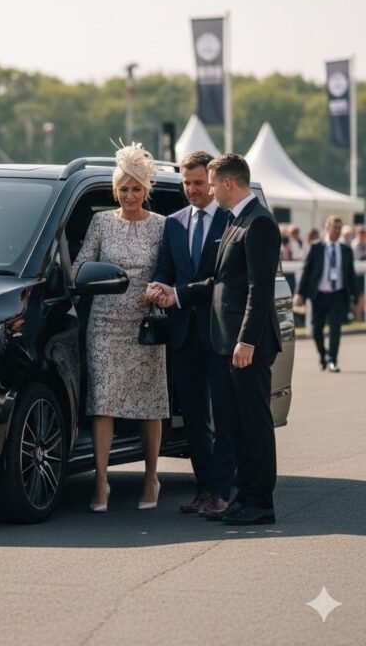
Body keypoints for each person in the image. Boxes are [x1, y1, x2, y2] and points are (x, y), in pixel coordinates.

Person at [150, 154, 282, 526]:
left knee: (254, 425)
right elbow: (220, 282)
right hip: (230, 341)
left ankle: (260, 503)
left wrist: (247, 341)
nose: (204, 189)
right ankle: (243, 498)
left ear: (226, 183)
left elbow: (260, 291)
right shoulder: (240, 220)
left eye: (208, 181)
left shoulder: (258, 224)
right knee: (239, 425)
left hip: (246, 344)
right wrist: (176, 295)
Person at [73, 143, 167, 512]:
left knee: (150, 404)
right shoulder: (101, 223)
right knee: (103, 404)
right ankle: (101, 481)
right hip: (104, 322)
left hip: (144, 323)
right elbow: (81, 266)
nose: (130, 196)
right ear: (115, 190)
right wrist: (94, 278)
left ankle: (151, 477)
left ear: (146, 190)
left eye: (136, 189)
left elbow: (167, 270)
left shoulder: (162, 226)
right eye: (124, 189)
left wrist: (155, 290)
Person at [151, 150, 233, 517]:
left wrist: (179, 294)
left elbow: (226, 280)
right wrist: (155, 288)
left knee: (225, 416)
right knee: (195, 418)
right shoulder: (174, 223)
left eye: (199, 182)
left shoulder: (232, 221)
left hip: (220, 333)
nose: (192, 189)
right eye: (187, 183)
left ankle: (222, 491)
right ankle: (203, 490)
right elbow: (164, 270)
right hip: (183, 336)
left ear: (213, 183)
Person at [294, 215, 357, 372]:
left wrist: (356, 295)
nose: (337, 231)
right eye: (334, 227)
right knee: (316, 329)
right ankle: (323, 355)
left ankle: (333, 360)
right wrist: (300, 293)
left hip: (338, 294)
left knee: (335, 328)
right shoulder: (317, 247)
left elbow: (351, 274)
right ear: (327, 228)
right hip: (319, 295)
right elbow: (306, 271)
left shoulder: (346, 249)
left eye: (339, 228)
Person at [352, 225, 366, 322]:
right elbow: (357, 258)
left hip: (362, 274)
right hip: (357, 274)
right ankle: (357, 316)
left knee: (362, 297)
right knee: (358, 297)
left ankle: (359, 316)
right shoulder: (355, 244)